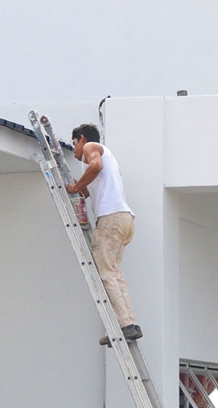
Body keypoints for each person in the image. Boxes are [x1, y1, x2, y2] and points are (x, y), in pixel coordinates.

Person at [65, 123, 142, 346]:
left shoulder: (92, 147)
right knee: (113, 273)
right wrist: (77, 192)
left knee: (106, 273)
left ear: (81, 138)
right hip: (123, 219)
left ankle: (125, 326)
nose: (75, 150)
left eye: (74, 144)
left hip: (110, 219)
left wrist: (74, 187)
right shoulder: (106, 158)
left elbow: (95, 167)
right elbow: (88, 189)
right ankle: (129, 323)